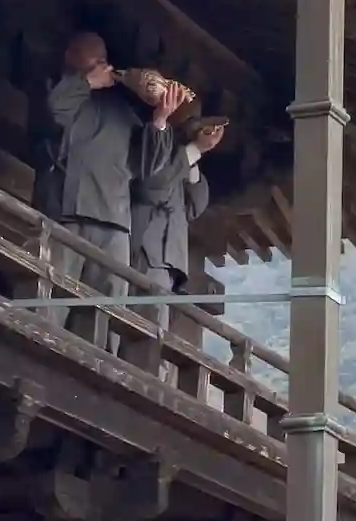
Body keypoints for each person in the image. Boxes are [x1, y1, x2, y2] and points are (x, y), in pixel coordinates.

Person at [47, 31, 177, 346]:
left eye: (103, 57)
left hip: (115, 222)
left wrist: (160, 120)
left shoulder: (122, 110)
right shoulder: (63, 91)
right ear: (70, 57)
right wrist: (87, 82)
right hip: (69, 213)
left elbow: (148, 166)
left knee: (104, 314)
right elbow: (56, 112)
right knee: (51, 299)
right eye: (91, 55)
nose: (100, 62)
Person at [129, 122, 224, 332]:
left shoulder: (180, 170)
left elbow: (194, 206)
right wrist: (193, 150)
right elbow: (152, 189)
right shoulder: (153, 158)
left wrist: (193, 159)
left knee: (156, 327)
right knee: (142, 326)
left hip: (170, 262)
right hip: (146, 251)